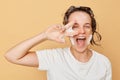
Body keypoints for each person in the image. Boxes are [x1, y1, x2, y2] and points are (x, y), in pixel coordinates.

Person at [4, 6, 112, 80]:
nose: (82, 31)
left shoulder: (103, 62)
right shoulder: (54, 57)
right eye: (75, 26)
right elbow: (12, 56)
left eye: (87, 26)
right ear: (66, 30)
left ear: (92, 31)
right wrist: (44, 35)